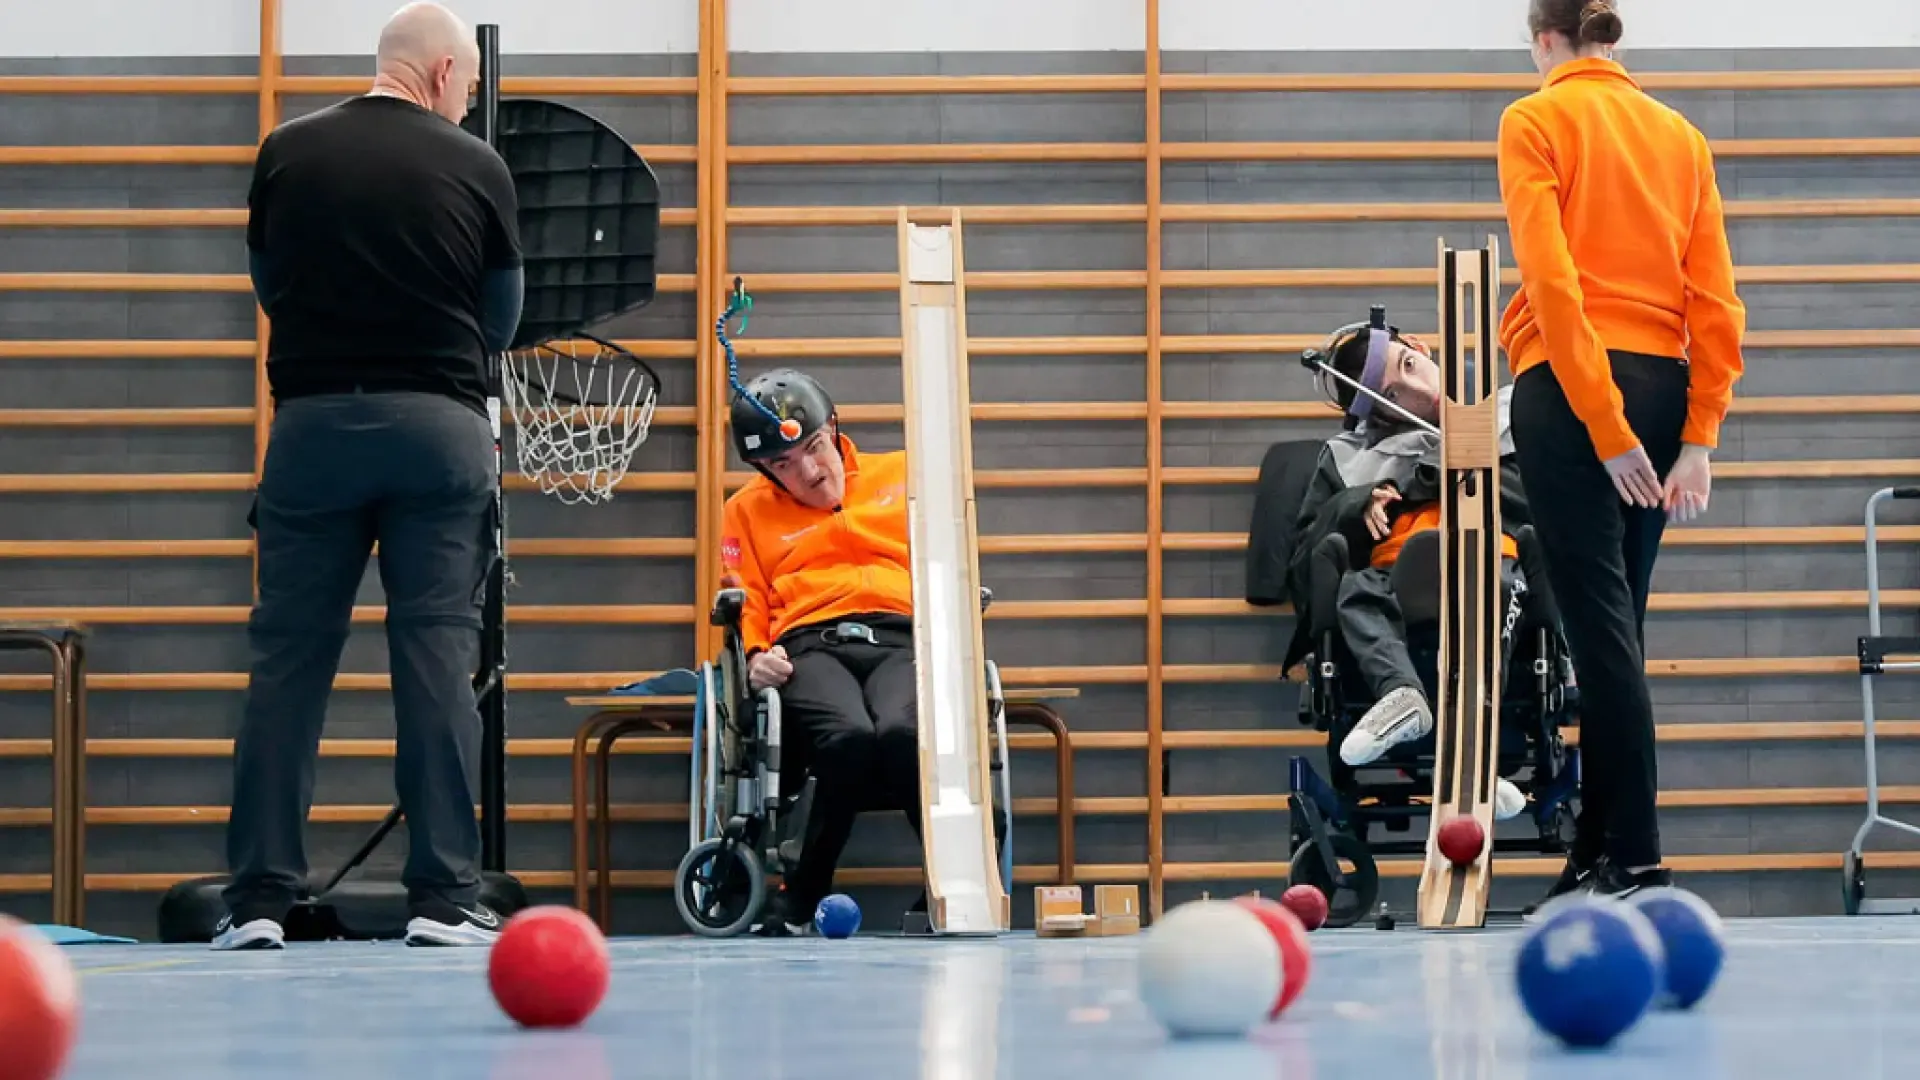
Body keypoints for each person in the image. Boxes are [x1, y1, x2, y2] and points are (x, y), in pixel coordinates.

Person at [217, 1, 525, 951]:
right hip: (437, 432)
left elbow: (270, 285)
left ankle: (259, 902)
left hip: (312, 429)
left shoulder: (287, 151)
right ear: (439, 73)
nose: (468, 101)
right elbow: (501, 318)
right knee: (435, 656)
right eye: (466, 83)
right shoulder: (478, 167)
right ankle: (443, 898)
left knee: (287, 666)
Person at [1498, 0, 1746, 908]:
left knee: (1600, 633)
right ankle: (1598, 851)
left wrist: (1601, 425)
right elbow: (1716, 297)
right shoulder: (1679, 135)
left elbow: (1554, 283)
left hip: (1574, 390)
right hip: (1662, 387)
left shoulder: (1534, 117)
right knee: (1618, 635)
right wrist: (1698, 434)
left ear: (1545, 40)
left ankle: (1636, 856)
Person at [1292, 319, 1540, 822]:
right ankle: (1402, 698)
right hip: (1392, 578)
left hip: (1489, 564)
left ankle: (1472, 761)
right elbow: (1304, 558)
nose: (1418, 391)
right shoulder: (1348, 459)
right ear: (1377, 415)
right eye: (1392, 397)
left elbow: (1553, 505)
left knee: (1490, 588)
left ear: (1420, 347)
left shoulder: (1515, 414)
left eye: (1410, 367)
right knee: (1356, 591)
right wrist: (1354, 505)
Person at [719, 368, 923, 935]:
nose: (809, 471)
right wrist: (757, 653)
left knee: (905, 733)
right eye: (784, 464)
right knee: (848, 738)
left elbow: (947, 557)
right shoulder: (744, 510)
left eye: (813, 448)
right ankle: (802, 895)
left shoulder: (903, 473)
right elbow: (745, 592)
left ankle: (950, 888)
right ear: (764, 469)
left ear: (833, 428)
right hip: (810, 644)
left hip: (902, 637)